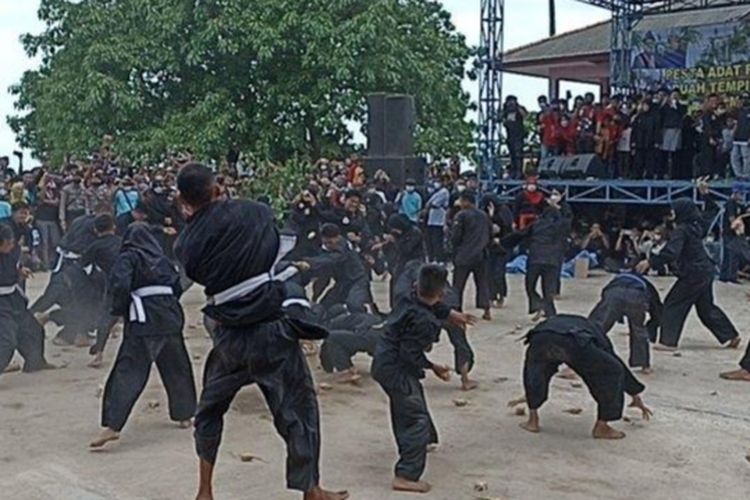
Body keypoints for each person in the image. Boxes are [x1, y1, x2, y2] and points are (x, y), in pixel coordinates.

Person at [173, 163, 347, 500]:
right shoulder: (254, 212)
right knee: (299, 408)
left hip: (228, 338)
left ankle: (204, 491)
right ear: (218, 189)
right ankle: (310, 488)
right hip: (271, 331)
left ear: (182, 199)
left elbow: (199, 272)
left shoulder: (185, 245)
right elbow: (271, 248)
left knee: (209, 411)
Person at [90, 223, 196, 448]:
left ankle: (113, 426)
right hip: (169, 315)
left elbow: (120, 286)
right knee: (176, 366)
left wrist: (119, 310)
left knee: (129, 369)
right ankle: (185, 414)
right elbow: (178, 286)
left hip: (144, 318)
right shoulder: (163, 259)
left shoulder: (128, 257)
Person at [371, 264, 471, 493]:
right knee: (414, 417)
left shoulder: (408, 297)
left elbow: (427, 301)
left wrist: (449, 313)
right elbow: (410, 354)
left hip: (385, 359)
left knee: (410, 402)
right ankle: (406, 475)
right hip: (396, 367)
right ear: (443, 292)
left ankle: (425, 440)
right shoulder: (423, 321)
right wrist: (432, 366)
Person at [519, 315, 653, 438]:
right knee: (612, 371)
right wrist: (635, 394)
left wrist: (532, 392)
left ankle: (532, 420)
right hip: (576, 343)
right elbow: (617, 366)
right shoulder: (596, 332)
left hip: (541, 337)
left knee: (536, 371)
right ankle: (602, 426)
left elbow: (534, 372)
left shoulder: (559, 320)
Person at [635, 198, 741, 351]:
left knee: (673, 304)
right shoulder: (697, 226)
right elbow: (712, 211)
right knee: (706, 308)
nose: (671, 213)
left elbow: (672, 252)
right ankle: (731, 335)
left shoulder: (682, 230)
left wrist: (650, 262)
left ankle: (668, 342)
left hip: (694, 273)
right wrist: (706, 195)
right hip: (705, 270)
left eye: (674, 210)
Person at [505, 194, 571, 321]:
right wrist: (561, 203)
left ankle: (538, 305)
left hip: (535, 259)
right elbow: (568, 217)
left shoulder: (537, 224)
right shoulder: (561, 225)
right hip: (552, 261)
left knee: (530, 286)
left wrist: (502, 243)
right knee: (548, 290)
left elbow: (519, 235)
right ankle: (550, 314)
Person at [0, 224, 52, 377]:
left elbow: (14, 265)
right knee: (6, 341)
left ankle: (35, 362)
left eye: (12, 242)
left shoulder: (13, 251)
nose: (11, 245)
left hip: (13, 297)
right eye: (7, 243)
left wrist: (20, 270)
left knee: (33, 330)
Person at [588, 272, 663, 373]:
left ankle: (580, 359)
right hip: (637, 295)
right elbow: (657, 309)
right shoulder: (648, 285)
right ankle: (644, 365)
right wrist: (652, 328)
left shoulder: (616, 279)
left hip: (614, 294)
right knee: (638, 330)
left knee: (596, 327)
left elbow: (605, 293)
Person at [296, 223, 375, 314]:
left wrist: (308, 262)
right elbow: (323, 276)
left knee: (354, 304)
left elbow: (332, 258)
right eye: (325, 243)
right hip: (342, 283)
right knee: (324, 307)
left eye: (330, 242)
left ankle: (364, 322)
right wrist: (315, 298)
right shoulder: (325, 251)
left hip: (357, 281)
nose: (328, 245)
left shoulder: (342, 248)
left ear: (338, 237)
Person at [81, 214, 123, 368]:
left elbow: (84, 265)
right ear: (114, 227)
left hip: (112, 285)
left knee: (105, 319)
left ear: (95, 230)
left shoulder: (94, 246)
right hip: (131, 283)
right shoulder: (123, 241)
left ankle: (99, 354)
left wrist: (95, 277)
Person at [451, 191, 491, 320]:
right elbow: (490, 233)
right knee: (482, 283)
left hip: (465, 254)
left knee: (458, 284)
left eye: (461, 200)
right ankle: (486, 309)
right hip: (481, 254)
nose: (460, 203)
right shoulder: (484, 215)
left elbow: (455, 237)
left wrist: (453, 248)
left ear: (466, 201)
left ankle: (457, 309)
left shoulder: (461, 215)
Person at [424, 174, 450, 264]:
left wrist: (429, 205)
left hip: (439, 220)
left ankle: (440, 260)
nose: (435, 183)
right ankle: (433, 259)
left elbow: (434, 204)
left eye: (438, 181)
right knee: (431, 241)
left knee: (437, 241)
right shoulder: (436, 193)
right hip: (431, 220)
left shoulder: (444, 192)